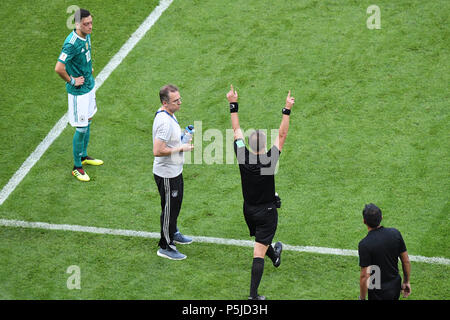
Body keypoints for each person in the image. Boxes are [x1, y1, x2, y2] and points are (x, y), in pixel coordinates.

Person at [227, 84, 294, 300]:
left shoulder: (242, 156)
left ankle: (274, 256)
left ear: (248, 144)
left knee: (262, 241)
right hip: (266, 212)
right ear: (264, 146)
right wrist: (287, 109)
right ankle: (253, 296)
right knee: (258, 250)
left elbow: (236, 131)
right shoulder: (269, 159)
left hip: (249, 210)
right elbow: (282, 134)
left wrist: (233, 104)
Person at [55, 8, 103, 182]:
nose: (90, 26)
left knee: (89, 120)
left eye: (91, 22)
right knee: (81, 128)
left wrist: (88, 67)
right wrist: (73, 81)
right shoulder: (71, 43)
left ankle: (83, 156)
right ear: (77, 24)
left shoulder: (86, 35)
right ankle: (77, 167)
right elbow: (59, 67)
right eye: (86, 24)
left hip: (89, 86)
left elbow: (85, 55)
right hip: (79, 93)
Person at [152, 84, 194, 260]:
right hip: (167, 174)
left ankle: (173, 231)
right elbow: (157, 150)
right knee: (169, 209)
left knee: (175, 206)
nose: (180, 103)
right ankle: (166, 246)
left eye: (179, 99)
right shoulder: (164, 123)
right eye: (176, 101)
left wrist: (184, 137)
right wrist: (181, 148)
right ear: (165, 102)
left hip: (175, 170)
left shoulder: (169, 114)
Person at [358, 203, 412, 300]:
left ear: (364, 221)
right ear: (381, 217)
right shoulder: (395, 234)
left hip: (377, 292)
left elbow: (364, 276)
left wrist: (362, 298)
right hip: (395, 286)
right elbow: (406, 260)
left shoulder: (364, 244)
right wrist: (406, 281)